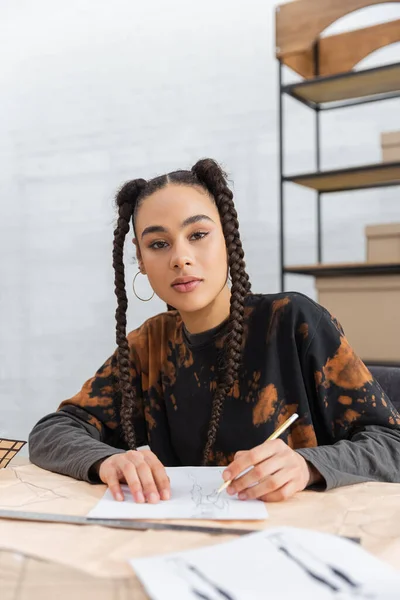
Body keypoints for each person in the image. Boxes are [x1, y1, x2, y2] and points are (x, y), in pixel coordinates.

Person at [29, 158, 400, 505]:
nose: (180, 257)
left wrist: (308, 465)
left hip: (301, 537)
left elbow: (392, 443)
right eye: (158, 244)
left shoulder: (293, 321)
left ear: (227, 238)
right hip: (188, 539)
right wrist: (105, 461)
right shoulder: (149, 345)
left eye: (198, 234)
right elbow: (52, 432)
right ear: (141, 261)